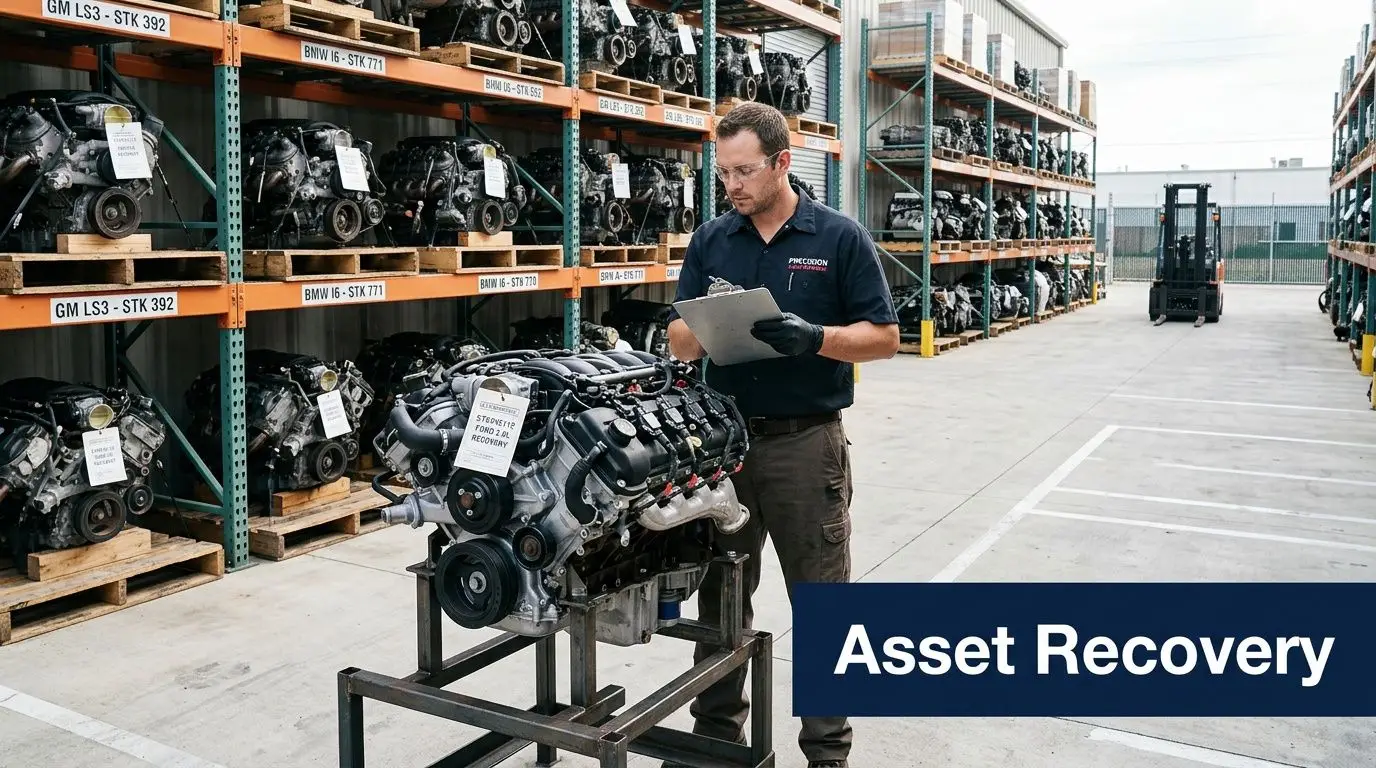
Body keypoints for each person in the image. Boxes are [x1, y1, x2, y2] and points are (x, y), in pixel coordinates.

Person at [664, 101, 900, 768]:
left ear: (782, 163)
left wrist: (816, 338)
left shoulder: (838, 238)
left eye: (744, 172)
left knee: (822, 606)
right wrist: (704, 324)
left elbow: (883, 338)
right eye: (724, 173)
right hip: (726, 446)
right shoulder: (714, 239)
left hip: (805, 447)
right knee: (722, 598)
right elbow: (678, 341)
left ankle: (827, 754)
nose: (732, 186)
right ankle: (714, 738)